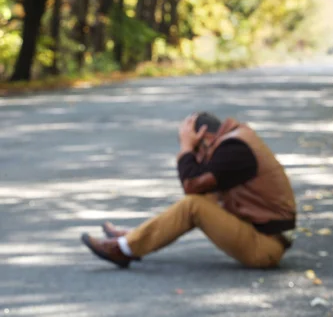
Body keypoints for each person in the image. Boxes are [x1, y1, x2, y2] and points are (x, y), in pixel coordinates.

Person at [81, 112, 297, 269]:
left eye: (196, 149)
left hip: (265, 246)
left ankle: (123, 250)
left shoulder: (234, 149)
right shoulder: (235, 141)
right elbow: (197, 186)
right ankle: (134, 238)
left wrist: (185, 149)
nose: (196, 158)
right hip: (262, 237)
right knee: (202, 198)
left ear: (206, 137)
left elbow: (191, 184)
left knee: (193, 205)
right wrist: (190, 150)